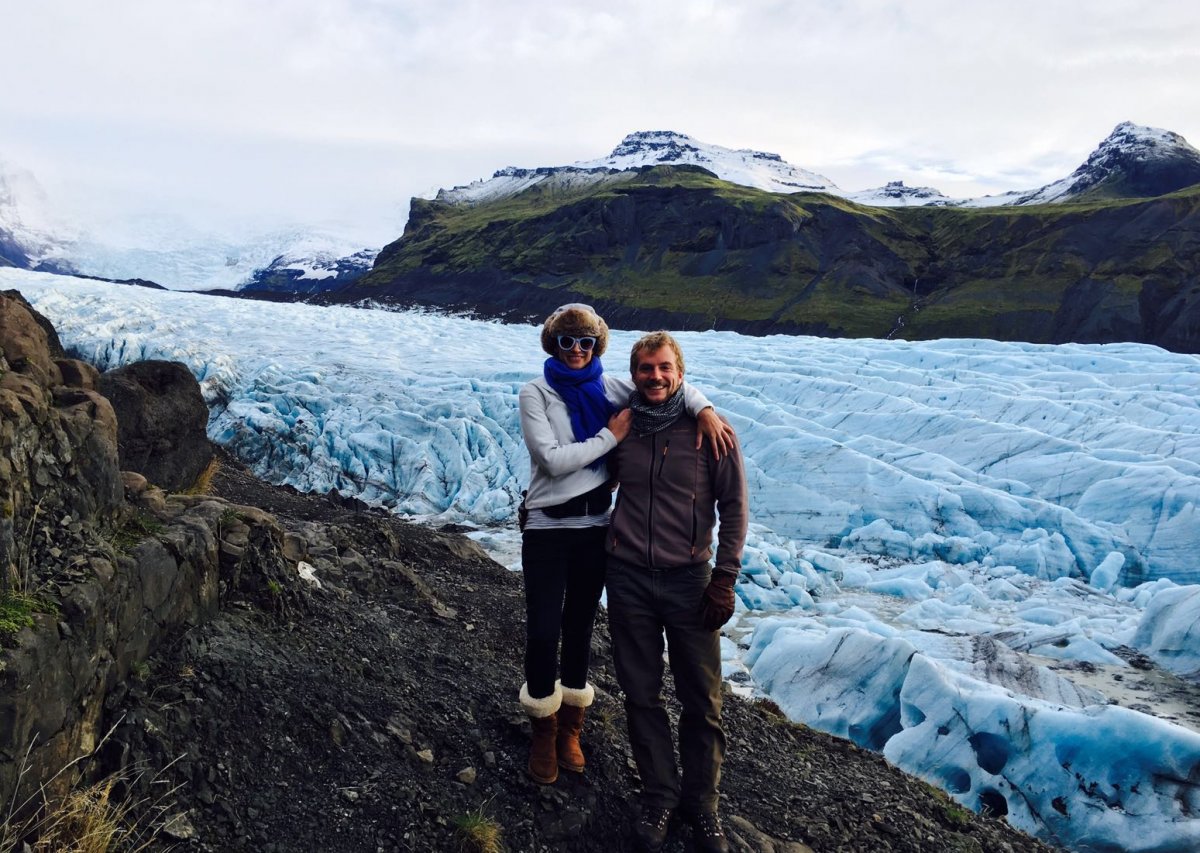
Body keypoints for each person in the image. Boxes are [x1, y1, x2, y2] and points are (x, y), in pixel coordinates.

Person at [517, 305, 734, 785]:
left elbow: (664, 388)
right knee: (542, 630)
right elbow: (552, 461)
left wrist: (704, 409)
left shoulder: (612, 388)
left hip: (595, 526)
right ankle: (542, 730)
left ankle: (570, 727)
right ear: (553, 344)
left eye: (586, 343)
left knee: (578, 629)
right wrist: (609, 436)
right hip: (548, 530)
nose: (577, 351)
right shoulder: (536, 392)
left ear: (598, 345)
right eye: (568, 342)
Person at [604, 331, 748, 853]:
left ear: (680, 374)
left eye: (665, 368)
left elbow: (734, 508)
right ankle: (659, 797)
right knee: (640, 695)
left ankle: (702, 807)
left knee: (702, 699)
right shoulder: (623, 426)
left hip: (689, 581)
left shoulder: (710, 430)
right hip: (627, 579)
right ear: (635, 374)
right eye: (646, 369)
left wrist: (724, 579)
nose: (656, 377)